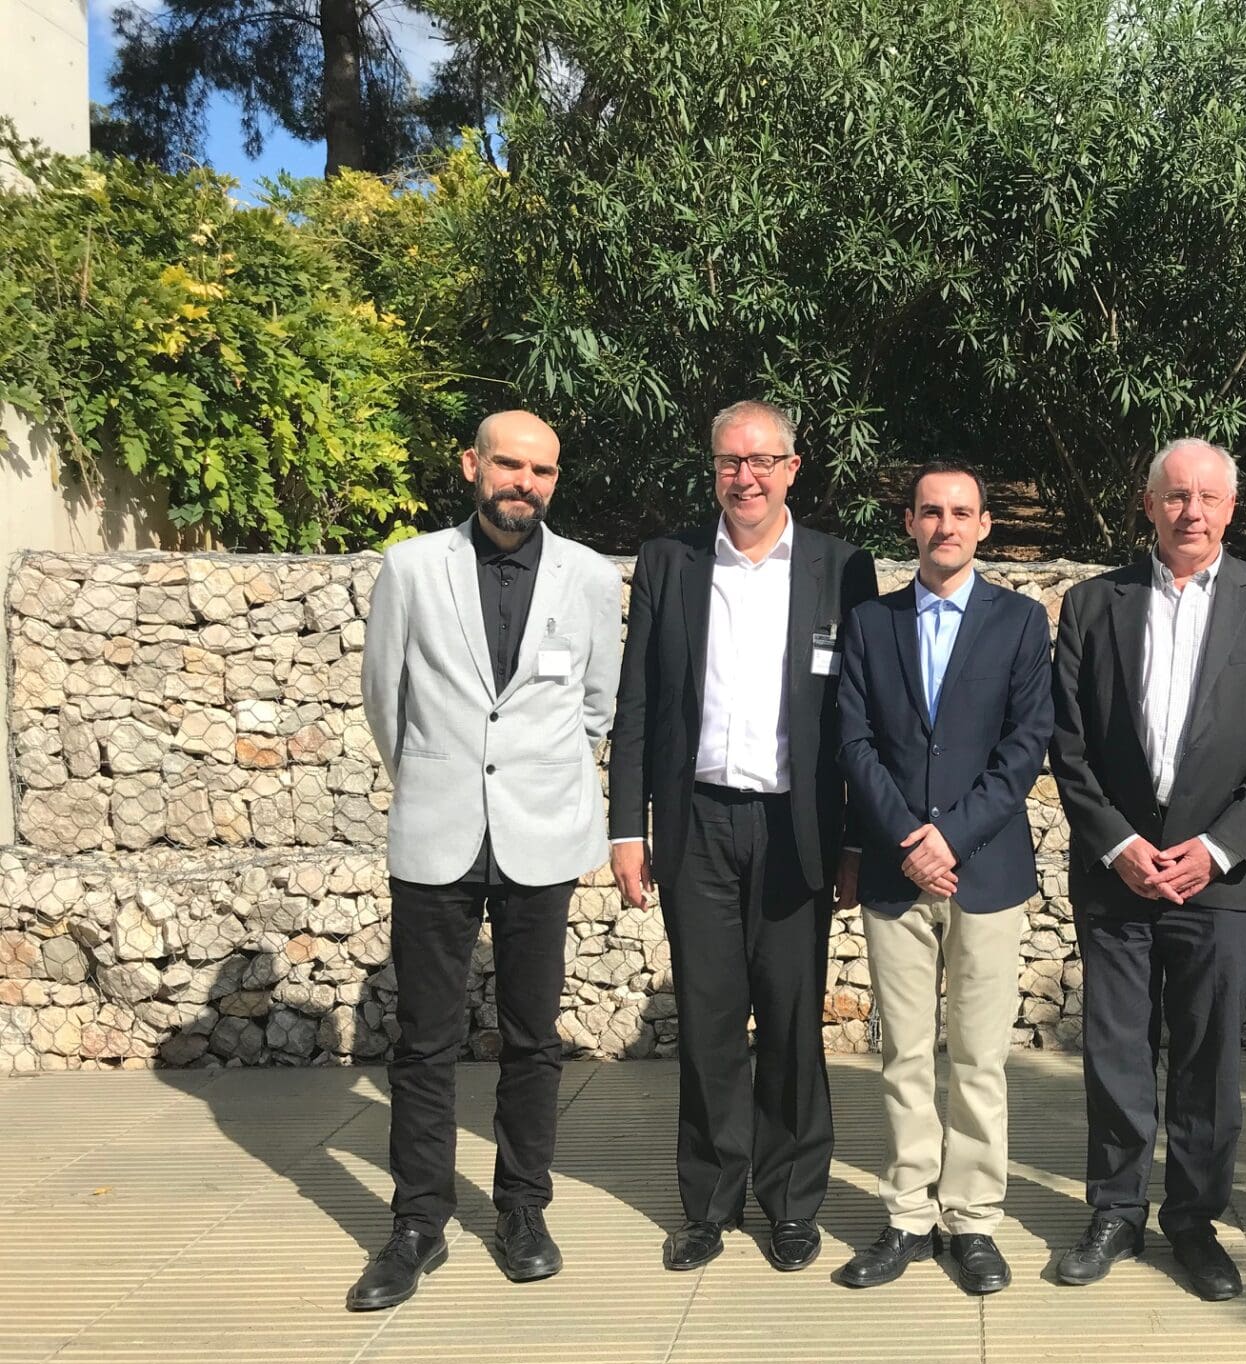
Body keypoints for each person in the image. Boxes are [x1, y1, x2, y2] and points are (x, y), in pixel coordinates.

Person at [351, 410, 624, 1311]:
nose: (525, 483)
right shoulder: (413, 567)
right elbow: (386, 702)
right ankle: (418, 1222)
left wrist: (533, 780)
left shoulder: (586, 575)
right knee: (425, 1042)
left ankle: (521, 1208)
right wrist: (439, 781)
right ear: (473, 465)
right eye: (509, 464)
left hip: (540, 835)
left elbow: (595, 704)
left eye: (542, 471)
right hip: (438, 831)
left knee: (534, 1039)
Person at [607, 399, 878, 1274]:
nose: (745, 477)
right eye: (730, 461)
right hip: (698, 823)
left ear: (793, 469)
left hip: (798, 826)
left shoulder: (843, 568)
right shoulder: (671, 562)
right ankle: (710, 1203)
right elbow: (638, 704)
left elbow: (859, 720)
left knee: (795, 1023)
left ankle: (793, 1204)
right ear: (713, 468)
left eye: (762, 461)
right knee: (710, 1024)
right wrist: (626, 828)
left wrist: (858, 845)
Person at [1049, 437, 1246, 1301]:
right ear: (1149, 505)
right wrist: (1121, 845)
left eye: (1207, 497)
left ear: (1233, 510)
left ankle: (1194, 1221)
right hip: (1117, 874)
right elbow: (1068, 743)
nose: (1191, 511)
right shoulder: (1095, 604)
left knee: (1207, 1059)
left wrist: (1215, 848)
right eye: (1175, 496)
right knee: (1116, 1050)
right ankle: (1116, 1211)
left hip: (1218, 879)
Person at [835, 462, 1053, 1295]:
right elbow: (854, 743)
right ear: (910, 522)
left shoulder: (1022, 623)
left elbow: (1024, 747)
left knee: (979, 1057)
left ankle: (972, 1220)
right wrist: (905, 838)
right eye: (932, 512)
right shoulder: (869, 622)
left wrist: (949, 838)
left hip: (986, 871)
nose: (947, 525)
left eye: (963, 512)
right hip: (896, 874)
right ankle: (906, 1216)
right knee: (904, 1055)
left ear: (986, 525)